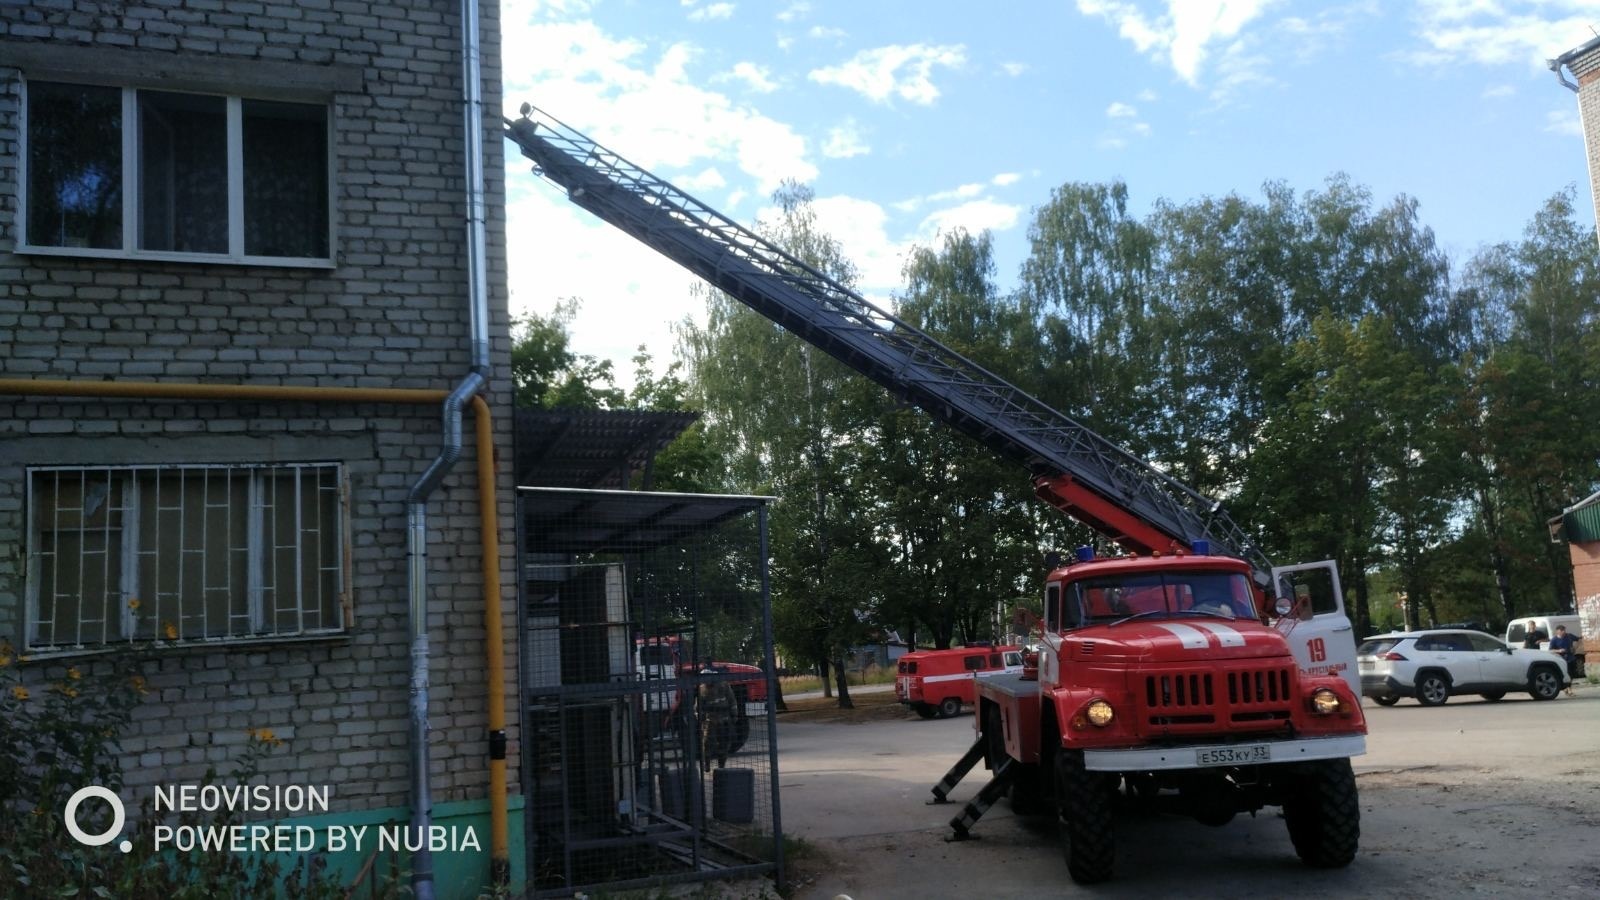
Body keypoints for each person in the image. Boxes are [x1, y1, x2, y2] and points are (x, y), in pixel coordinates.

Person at [1548, 625, 1578, 697]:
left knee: (1572, 674)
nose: (1563, 631)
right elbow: (1550, 650)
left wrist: (1575, 648)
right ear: (1557, 631)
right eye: (1561, 630)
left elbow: (1578, 639)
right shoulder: (1554, 640)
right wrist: (1559, 650)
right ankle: (1569, 689)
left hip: (1571, 658)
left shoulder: (1569, 636)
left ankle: (1567, 688)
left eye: (1564, 630)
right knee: (1566, 674)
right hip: (1562, 659)